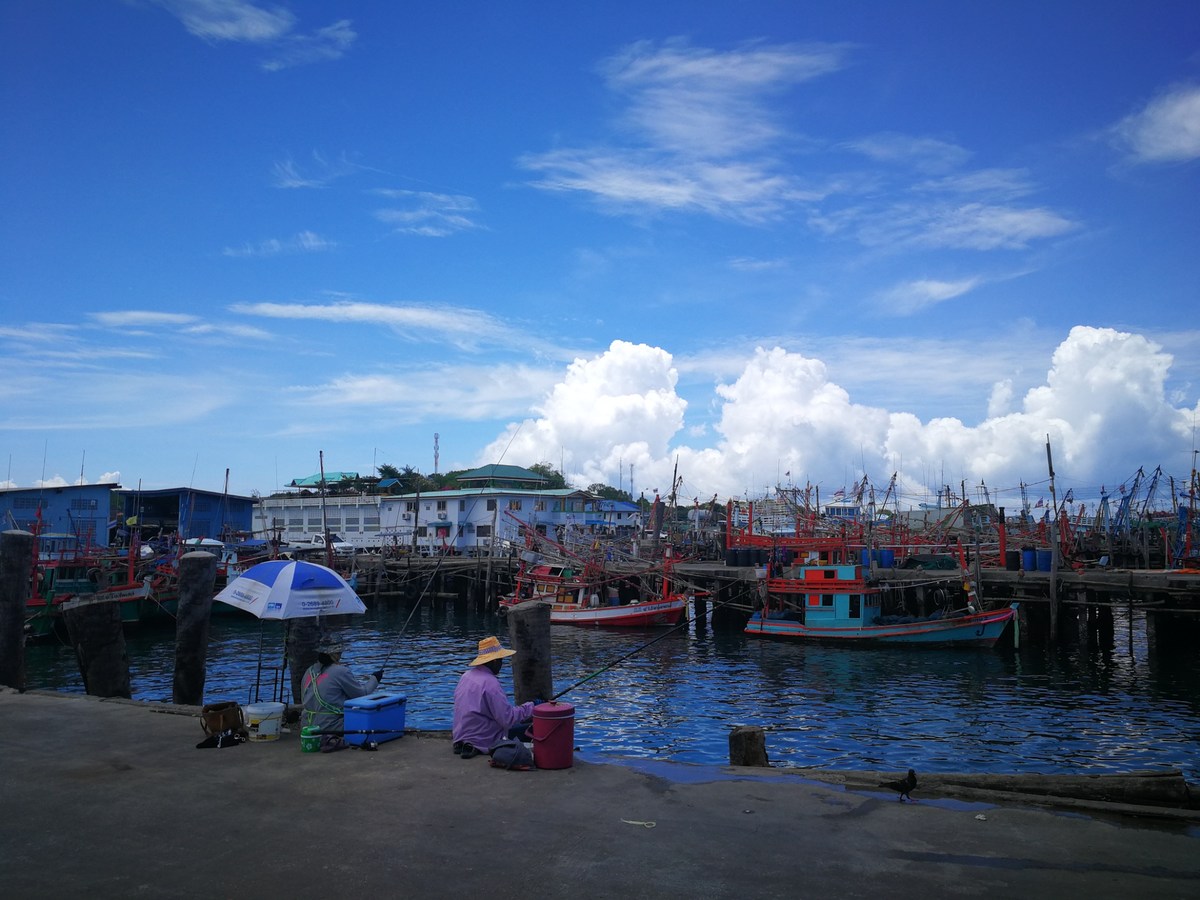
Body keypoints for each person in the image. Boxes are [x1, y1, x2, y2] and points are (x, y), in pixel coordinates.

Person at [451, 636, 536, 759]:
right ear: (495, 661)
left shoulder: (466, 676)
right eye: (501, 660)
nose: (502, 664)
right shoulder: (491, 683)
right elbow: (508, 719)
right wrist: (532, 706)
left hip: (460, 737)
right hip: (484, 740)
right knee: (532, 728)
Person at [301, 638, 382, 753]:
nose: (340, 655)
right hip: (329, 726)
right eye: (339, 653)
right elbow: (362, 695)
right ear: (334, 655)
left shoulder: (309, 671)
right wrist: (375, 679)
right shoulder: (340, 671)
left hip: (307, 726)